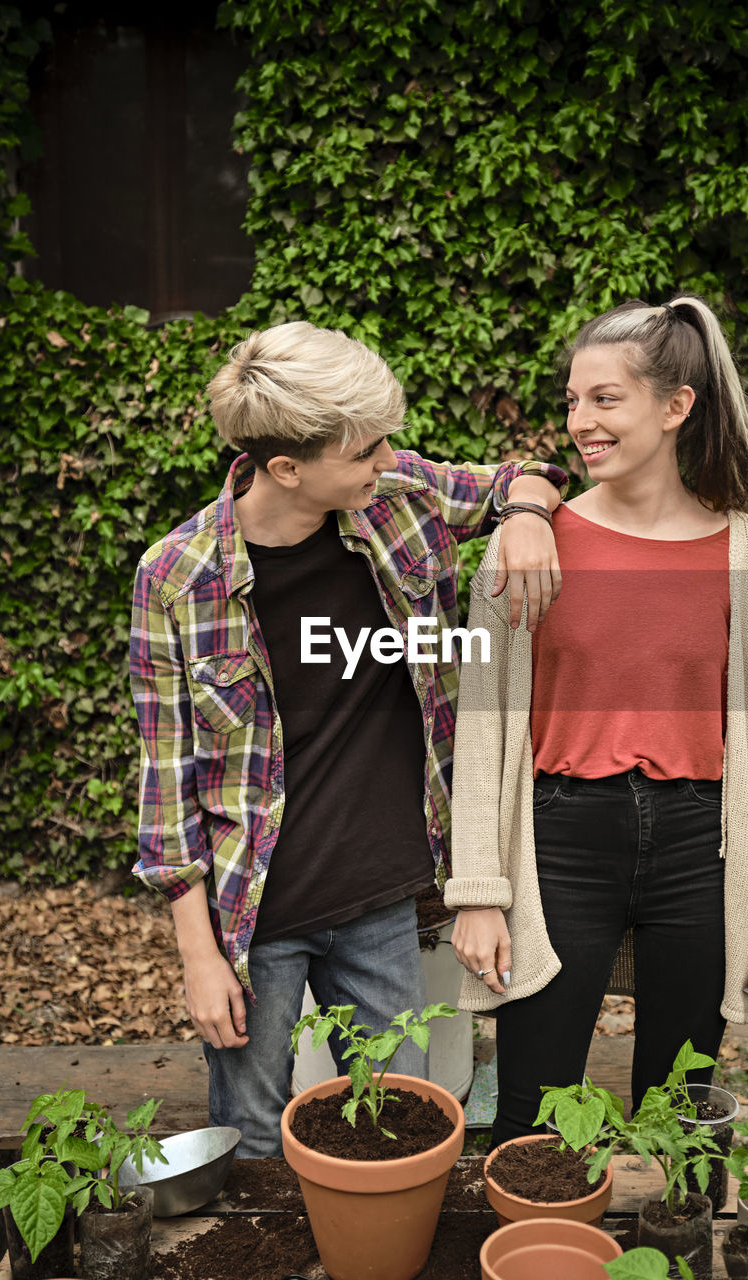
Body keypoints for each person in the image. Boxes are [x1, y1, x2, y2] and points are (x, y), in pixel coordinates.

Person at [129, 321, 567, 1156]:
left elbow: (526, 476)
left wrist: (526, 514)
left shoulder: (397, 497)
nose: (386, 458)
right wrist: (198, 958)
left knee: (398, 1126)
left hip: (381, 900)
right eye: (365, 449)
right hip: (256, 915)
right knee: (250, 1142)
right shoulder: (177, 577)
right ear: (286, 467)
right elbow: (164, 784)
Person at [445, 297, 748, 1147]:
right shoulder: (529, 545)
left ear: (675, 407)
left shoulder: (747, 551)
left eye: (605, 400)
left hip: (702, 848)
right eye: (573, 401)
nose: (580, 422)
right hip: (559, 844)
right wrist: (478, 891)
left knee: (681, 1114)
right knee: (531, 1119)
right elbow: (486, 725)